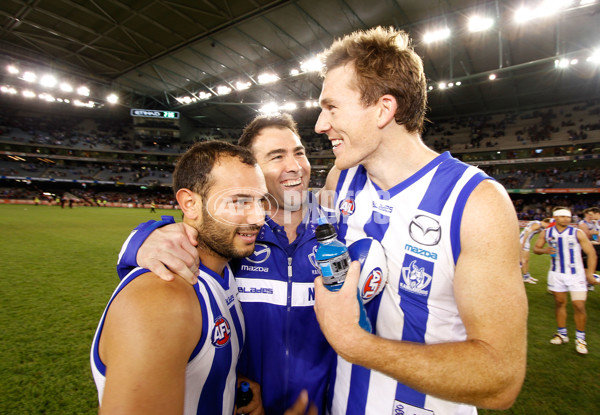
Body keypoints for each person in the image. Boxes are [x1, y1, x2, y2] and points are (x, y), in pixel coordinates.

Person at [312, 26, 528, 414]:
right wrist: (169, 235)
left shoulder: (475, 202)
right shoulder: (339, 181)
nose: (319, 124)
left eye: (331, 108)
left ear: (383, 109)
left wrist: (354, 343)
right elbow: (282, 223)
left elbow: (501, 378)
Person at [115, 113, 332, 414]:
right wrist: (139, 242)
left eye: (299, 152)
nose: (294, 165)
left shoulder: (338, 231)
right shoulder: (178, 285)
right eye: (276, 156)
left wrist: (236, 384)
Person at [91, 141, 267, 414]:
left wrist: (228, 385)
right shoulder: (162, 299)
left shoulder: (223, 271)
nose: (259, 216)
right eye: (240, 201)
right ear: (190, 204)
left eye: (260, 200)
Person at [533, 207, 598, 354]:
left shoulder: (577, 233)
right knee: (560, 303)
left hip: (577, 275)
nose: (566, 219)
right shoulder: (547, 232)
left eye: (568, 217)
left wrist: (590, 273)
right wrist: (544, 251)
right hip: (556, 274)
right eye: (562, 217)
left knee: (579, 305)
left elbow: (591, 253)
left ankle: (580, 339)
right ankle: (562, 334)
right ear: (555, 218)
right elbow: (536, 249)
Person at [519, 218, 552, 284]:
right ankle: (525, 277)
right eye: (549, 225)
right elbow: (527, 232)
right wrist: (522, 243)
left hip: (526, 242)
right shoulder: (537, 225)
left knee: (526, 260)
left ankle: (527, 276)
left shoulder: (539, 225)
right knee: (523, 260)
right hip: (523, 241)